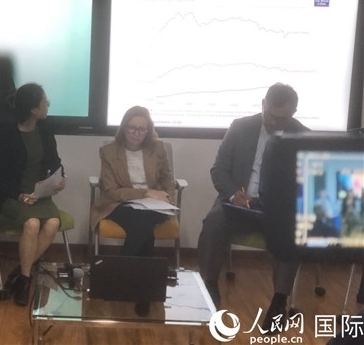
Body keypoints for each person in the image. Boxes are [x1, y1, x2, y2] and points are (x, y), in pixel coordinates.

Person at [197, 83, 309, 329]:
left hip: (277, 209)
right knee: (214, 222)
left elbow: (307, 185)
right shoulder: (240, 127)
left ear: (293, 112)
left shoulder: (303, 136)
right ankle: (210, 287)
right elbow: (219, 169)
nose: (272, 122)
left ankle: (278, 302)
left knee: (291, 235)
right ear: (263, 104)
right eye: (268, 114)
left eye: (280, 118)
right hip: (239, 202)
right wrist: (232, 194)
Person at [0, 83, 66, 306]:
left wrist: (60, 178)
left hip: (39, 194)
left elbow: (55, 161)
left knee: (52, 224)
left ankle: (19, 270)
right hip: (10, 195)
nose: (48, 104)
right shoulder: (8, 133)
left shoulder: (45, 129)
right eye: (44, 102)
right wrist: (19, 195)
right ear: (33, 109)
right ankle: (25, 280)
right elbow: (0, 175)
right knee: (32, 224)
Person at [90, 105, 176, 257]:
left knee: (142, 222)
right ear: (124, 128)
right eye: (132, 128)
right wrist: (147, 193)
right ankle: (144, 268)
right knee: (143, 223)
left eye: (142, 129)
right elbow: (112, 191)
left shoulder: (157, 148)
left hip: (155, 204)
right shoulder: (109, 152)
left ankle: (124, 267)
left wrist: (168, 196)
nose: (136, 133)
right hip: (119, 204)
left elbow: (167, 177)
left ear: (148, 131)